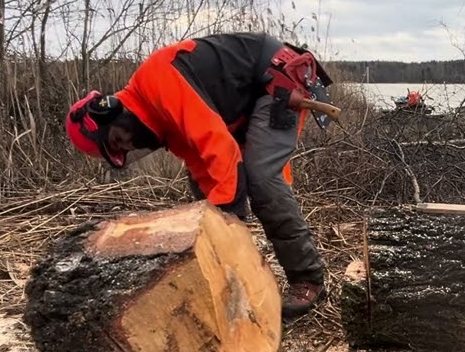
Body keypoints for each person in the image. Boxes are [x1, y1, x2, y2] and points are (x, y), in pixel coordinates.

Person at [66, 32, 330, 320]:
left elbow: (222, 153)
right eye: (120, 152)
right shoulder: (164, 126)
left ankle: (308, 279)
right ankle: (235, 281)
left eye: (118, 139)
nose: (129, 146)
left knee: (261, 177)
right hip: (247, 100)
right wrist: (216, 227)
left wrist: (226, 223)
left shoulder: (159, 81)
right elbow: (205, 173)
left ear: (112, 112)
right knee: (207, 190)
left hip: (278, 78)